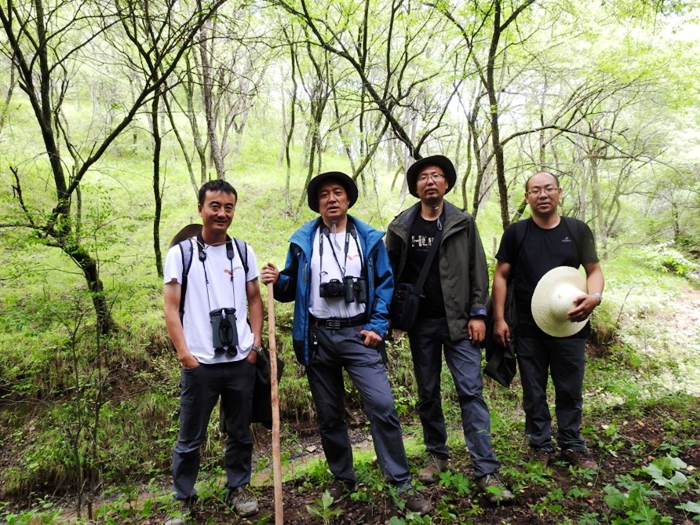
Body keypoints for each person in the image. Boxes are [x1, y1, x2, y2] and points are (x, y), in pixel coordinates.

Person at [261, 171, 432, 515]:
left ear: (348, 198)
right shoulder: (303, 241)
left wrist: (378, 325)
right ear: (317, 203)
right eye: (324, 195)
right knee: (328, 415)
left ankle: (400, 484)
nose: (331, 199)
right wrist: (278, 279)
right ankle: (343, 478)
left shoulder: (367, 239)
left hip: (360, 335)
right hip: (318, 336)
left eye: (338, 192)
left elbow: (386, 284)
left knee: (382, 407)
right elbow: (289, 287)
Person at [386, 155, 513, 504]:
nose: (430, 181)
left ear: (446, 184)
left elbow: (478, 270)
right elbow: (392, 275)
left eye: (437, 176)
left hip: (460, 323)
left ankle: (486, 469)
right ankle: (437, 456)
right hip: (421, 325)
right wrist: (394, 319)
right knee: (427, 392)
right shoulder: (400, 227)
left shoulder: (463, 222)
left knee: (471, 391)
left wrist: (478, 313)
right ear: (415, 187)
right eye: (423, 177)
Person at [163, 180, 264, 522]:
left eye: (229, 207)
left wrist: (256, 345)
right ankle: (182, 497)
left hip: (240, 361)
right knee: (190, 437)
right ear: (201, 209)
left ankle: (238, 487)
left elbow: (254, 299)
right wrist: (184, 355)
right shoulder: (181, 253)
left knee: (239, 432)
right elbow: (171, 307)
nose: (222, 213)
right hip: (200, 363)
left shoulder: (244, 251)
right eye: (215, 206)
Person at [492, 171, 604, 469]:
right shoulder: (517, 233)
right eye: (535, 190)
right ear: (527, 196)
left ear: (559, 192)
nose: (542, 195)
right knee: (533, 389)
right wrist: (499, 318)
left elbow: (593, 270)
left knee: (570, 387)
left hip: (571, 323)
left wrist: (595, 297)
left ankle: (572, 444)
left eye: (548, 189)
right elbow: (501, 276)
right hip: (528, 327)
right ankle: (540, 445)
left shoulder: (578, 230)